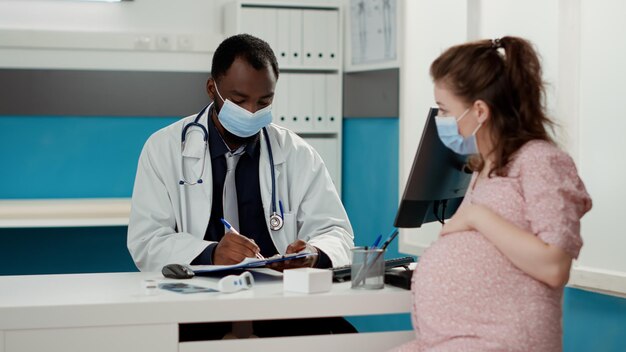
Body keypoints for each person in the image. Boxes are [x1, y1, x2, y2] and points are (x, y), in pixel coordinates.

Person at [127, 34, 355, 338]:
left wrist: (315, 252)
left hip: (282, 306)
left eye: (264, 102)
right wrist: (211, 253)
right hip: (198, 304)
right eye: (238, 100)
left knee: (346, 339)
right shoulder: (164, 149)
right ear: (212, 89)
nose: (251, 112)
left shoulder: (297, 153)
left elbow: (337, 232)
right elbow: (147, 240)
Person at [392, 36, 592, 351]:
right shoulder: (487, 168)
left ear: (480, 111)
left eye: (444, 110)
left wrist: (476, 216)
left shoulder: (540, 160)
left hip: (502, 342)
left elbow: (554, 266)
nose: (439, 121)